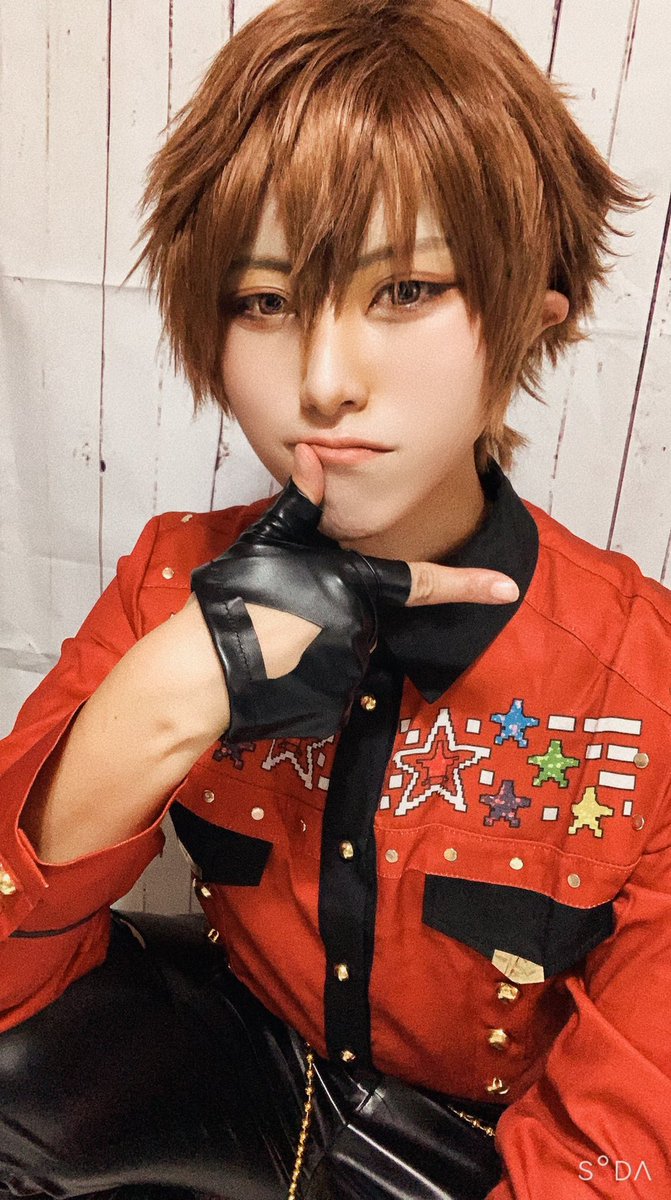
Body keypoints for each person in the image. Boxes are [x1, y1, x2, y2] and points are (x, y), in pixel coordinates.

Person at [0, 0, 665, 1197]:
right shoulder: (170, 580)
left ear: (530, 313)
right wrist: (170, 691)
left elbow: (625, 1134)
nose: (322, 379)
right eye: (264, 302)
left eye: (404, 289)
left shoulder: (642, 674)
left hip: (495, 1141)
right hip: (256, 1074)